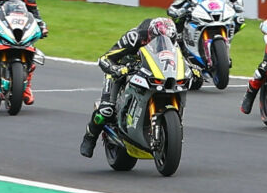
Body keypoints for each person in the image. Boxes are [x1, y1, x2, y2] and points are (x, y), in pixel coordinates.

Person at [80, 17, 187, 157]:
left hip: (151, 72)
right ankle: (90, 137)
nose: (162, 43)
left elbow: (181, 59)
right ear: (150, 35)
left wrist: (193, 69)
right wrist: (116, 69)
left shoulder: (174, 41)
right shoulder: (134, 37)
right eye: (156, 39)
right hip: (121, 70)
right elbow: (105, 59)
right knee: (106, 110)